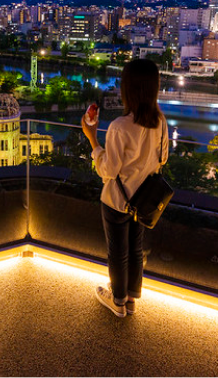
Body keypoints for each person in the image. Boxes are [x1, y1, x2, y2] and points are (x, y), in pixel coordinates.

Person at [81, 58, 168, 317]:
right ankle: (130, 299)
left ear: (127, 89)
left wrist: (92, 138)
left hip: (117, 201)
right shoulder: (160, 120)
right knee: (135, 248)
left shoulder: (120, 127)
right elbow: (163, 158)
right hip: (144, 201)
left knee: (117, 253)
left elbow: (107, 171)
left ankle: (117, 301)